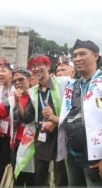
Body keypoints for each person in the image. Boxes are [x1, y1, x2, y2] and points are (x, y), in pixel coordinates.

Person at [57, 39, 102, 186]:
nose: (77, 59)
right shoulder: (72, 86)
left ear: (95, 56)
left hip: (95, 157)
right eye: (74, 55)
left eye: (82, 54)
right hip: (73, 154)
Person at [27, 54, 69, 186]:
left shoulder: (63, 84)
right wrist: (17, 102)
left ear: (48, 66)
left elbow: (71, 111)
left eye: (40, 65)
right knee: (40, 175)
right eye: (33, 66)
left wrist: (53, 121)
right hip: (42, 138)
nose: (36, 69)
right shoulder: (33, 91)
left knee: (61, 176)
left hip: (60, 137)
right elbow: (27, 117)